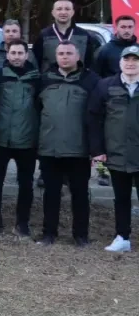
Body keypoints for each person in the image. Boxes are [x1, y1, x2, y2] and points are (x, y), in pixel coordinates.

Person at [35, 41, 100, 246]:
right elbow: (37, 111)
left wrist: (95, 148)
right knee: (51, 194)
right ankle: (49, 234)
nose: (64, 57)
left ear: (78, 56)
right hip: (50, 148)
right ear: (56, 56)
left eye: (69, 53)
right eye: (61, 53)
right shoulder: (44, 79)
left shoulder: (91, 81)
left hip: (78, 150)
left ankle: (80, 235)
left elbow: (96, 115)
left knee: (80, 195)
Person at [91, 46, 139, 253]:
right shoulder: (105, 86)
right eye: (126, 59)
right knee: (121, 198)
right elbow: (94, 119)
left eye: (135, 59)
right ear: (120, 63)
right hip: (117, 153)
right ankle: (123, 237)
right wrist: (98, 149)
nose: (131, 63)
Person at [0, 40, 39, 237]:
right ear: (7, 55)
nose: (16, 56)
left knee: (26, 184)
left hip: (26, 140)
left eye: (20, 53)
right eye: (13, 53)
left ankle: (23, 222)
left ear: (26, 55)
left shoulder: (36, 78)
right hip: (0, 139)